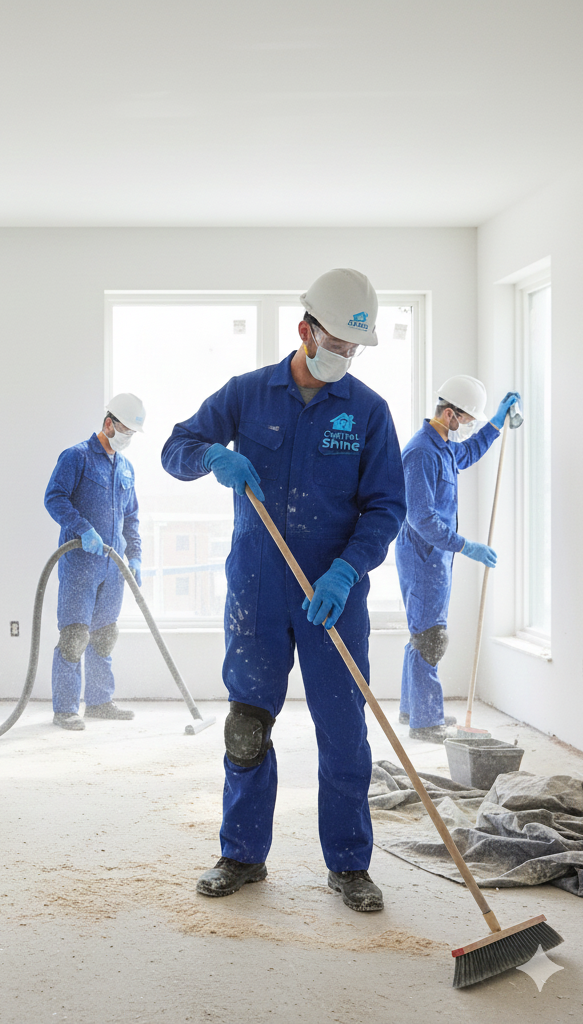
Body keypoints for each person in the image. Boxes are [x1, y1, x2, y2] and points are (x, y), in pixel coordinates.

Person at [162, 269, 406, 913]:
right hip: (259, 592)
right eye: (337, 345)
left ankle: (350, 865)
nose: (344, 359)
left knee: (345, 734)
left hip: (333, 597)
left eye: (354, 350)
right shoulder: (247, 394)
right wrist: (213, 458)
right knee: (247, 729)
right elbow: (175, 446)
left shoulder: (368, 411)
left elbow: (386, 509)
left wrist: (347, 570)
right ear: (305, 331)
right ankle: (242, 854)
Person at [395, 378, 521, 742]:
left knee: (422, 634)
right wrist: (467, 547)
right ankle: (426, 723)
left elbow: (470, 451)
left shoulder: (445, 447)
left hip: (436, 556)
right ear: (449, 413)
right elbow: (421, 518)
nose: (467, 426)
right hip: (422, 555)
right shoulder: (421, 452)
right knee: (431, 638)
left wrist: (496, 422)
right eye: (465, 420)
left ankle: (413, 710)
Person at [44, 394, 145, 731]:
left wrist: (136, 555)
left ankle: (100, 702)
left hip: (113, 570)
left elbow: (131, 518)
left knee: (105, 635)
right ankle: (66, 709)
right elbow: (54, 498)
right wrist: (83, 529)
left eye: (133, 433)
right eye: (125, 430)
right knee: (74, 636)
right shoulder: (77, 457)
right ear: (108, 423)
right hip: (80, 565)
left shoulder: (126, 469)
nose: (128, 438)